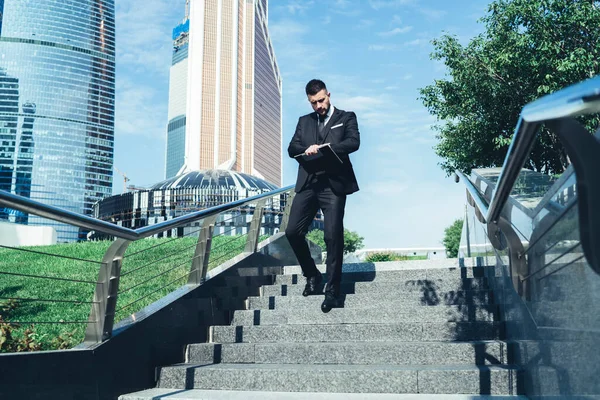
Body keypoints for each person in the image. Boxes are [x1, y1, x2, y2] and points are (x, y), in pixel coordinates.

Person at [285, 79, 360, 312]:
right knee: (292, 232)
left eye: (321, 100)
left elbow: (353, 142)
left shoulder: (346, 117)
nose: (318, 106)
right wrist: (304, 149)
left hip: (334, 185)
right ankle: (313, 275)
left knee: (332, 236)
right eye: (313, 103)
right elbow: (291, 148)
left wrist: (327, 147)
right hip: (308, 183)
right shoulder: (303, 122)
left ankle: (333, 292)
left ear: (329, 94)